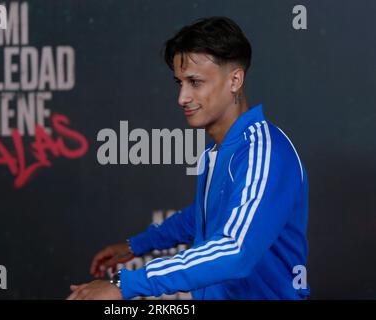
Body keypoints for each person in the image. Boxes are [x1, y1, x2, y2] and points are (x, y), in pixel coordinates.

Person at [67, 16, 309, 300]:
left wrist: (123, 284)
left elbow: (235, 250)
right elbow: (204, 216)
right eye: (180, 82)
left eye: (195, 82)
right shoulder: (220, 150)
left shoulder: (263, 152)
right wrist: (137, 245)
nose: (182, 97)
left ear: (235, 80)